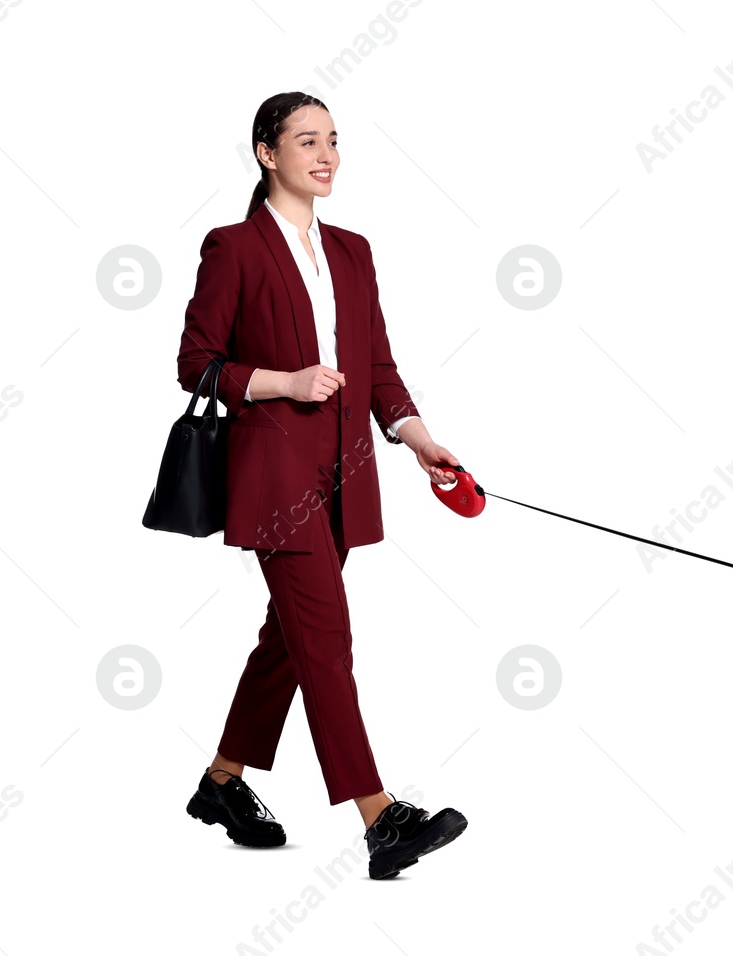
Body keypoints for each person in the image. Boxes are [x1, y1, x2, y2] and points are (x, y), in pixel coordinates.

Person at [175, 91, 467, 879]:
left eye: (333, 140)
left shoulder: (353, 250)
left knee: (290, 640)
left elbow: (377, 365)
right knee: (327, 641)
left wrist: (415, 438)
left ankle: (222, 783)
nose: (326, 154)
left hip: (345, 478)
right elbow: (196, 364)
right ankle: (382, 818)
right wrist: (285, 381)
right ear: (268, 154)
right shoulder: (233, 247)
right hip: (272, 482)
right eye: (307, 141)